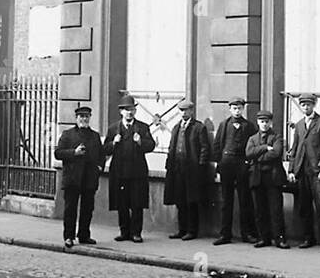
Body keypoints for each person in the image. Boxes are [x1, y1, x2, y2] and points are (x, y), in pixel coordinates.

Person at [104, 100, 156, 243]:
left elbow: (151, 145)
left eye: (132, 109)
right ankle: (124, 232)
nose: (129, 112)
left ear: (135, 111)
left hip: (137, 172)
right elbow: (105, 149)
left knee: (137, 203)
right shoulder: (113, 128)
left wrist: (141, 142)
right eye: (126, 109)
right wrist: (113, 142)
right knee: (122, 203)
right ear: (121, 111)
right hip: (119, 171)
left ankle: (136, 233)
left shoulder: (142, 127)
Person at [53, 105, 105, 248]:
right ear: (76, 119)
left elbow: (101, 155)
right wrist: (73, 152)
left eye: (86, 117)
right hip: (72, 178)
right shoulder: (67, 134)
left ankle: (84, 235)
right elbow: (58, 153)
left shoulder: (94, 136)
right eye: (81, 117)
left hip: (89, 179)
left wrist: (100, 168)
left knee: (87, 209)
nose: (84, 119)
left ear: (90, 118)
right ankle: (69, 236)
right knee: (70, 209)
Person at [287, 93, 320, 249]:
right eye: (303, 105)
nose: (306, 107)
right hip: (301, 171)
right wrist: (291, 170)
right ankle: (308, 238)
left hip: (316, 172)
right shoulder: (299, 125)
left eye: (309, 104)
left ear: (314, 105)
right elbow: (294, 149)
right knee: (304, 207)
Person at [213, 97, 258, 245]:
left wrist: (248, 163)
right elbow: (217, 145)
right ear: (230, 109)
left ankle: (247, 234)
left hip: (242, 165)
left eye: (239, 108)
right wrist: (218, 165)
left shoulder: (249, 126)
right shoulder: (224, 125)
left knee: (245, 200)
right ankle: (225, 235)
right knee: (227, 201)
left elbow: (253, 146)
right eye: (234, 108)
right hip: (226, 165)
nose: (237, 111)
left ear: (243, 109)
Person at [165, 99, 212, 240]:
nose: (184, 113)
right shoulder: (176, 127)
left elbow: (204, 148)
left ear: (191, 111)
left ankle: (192, 231)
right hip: (177, 168)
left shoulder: (198, 127)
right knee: (180, 201)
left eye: (186, 110)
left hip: (192, 170)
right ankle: (181, 229)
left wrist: (201, 165)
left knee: (192, 201)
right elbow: (171, 147)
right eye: (181, 110)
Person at [245, 111, 288, 248]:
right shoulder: (252, 139)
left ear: (271, 123)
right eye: (262, 122)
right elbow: (248, 153)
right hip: (257, 178)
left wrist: (258, 157)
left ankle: (279, 239)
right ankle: (264, 238)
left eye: (267, 122)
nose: (264, 124)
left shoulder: (277, 137)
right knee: (260, 210)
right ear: (258, 123)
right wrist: (264, 148)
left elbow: (276, 153)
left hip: (273, 178)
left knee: (275, 210)